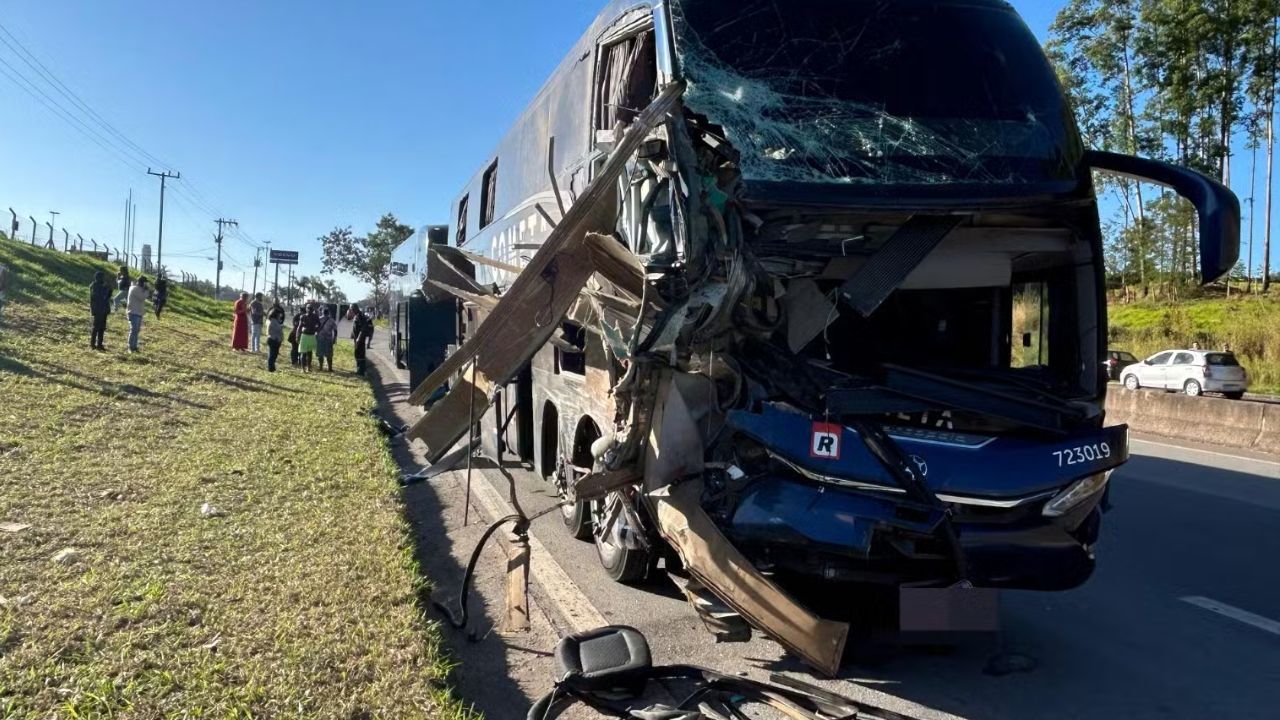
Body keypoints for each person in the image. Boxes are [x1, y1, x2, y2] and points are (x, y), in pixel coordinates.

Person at [89, 270, 111, 350]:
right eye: (102, 277)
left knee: (102, 327)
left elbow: (108, 296)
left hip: (103, 309)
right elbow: (100, 297)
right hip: (98, 309)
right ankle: (92, 344)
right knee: (96, 327)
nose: (103, 279)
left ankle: (99, 344)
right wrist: (105, 288)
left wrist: (108, 288)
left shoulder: (101, 285)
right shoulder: (94, 286)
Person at [349, 305, 374, 375]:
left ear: (356, 309)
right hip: (356, 338)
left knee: (360, 354)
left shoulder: (361, 316)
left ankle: (361, 372)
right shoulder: (356, 315)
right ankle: (359, 370)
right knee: (357, 354)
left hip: (360, 339)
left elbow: (363, 329)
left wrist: (358, 338)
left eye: (352, 309)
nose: (352, 310)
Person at [126, 276, 149, 352]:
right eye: (145, 283)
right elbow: (142, 297)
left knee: (136, 331)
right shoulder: (135, 288)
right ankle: (130, 347)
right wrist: (146, 290)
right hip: (133, 312)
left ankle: (134, 346)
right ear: (141, 282)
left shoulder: (137, 288)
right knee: (134, 330)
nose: (145, 284)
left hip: (137, 312)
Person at [297, 302, 320, 372]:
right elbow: (299, 327)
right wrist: (297, 336)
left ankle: (309, 368)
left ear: (312, 309)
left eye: (311, 308)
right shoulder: (303, 317)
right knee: (303, 353)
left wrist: (315, 330)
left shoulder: (315, 316)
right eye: (308, 308)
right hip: (304, 336)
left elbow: (319, 324)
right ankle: (303, 369)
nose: (309, 310)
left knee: (310, 353)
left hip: (312, 336)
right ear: (306, 309)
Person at [316, 307, 338, 372]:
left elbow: (316, 328)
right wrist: (334, 338)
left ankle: (320, 367)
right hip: (328, 339)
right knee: (329, 354)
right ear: (328, 313)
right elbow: (335, 330)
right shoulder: (332, 320)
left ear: (322, 312)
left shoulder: (319, 319)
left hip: (320, 338)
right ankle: (330, 368)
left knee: (320, 354)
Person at [266, 305, 285, 372]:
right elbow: (269, 331)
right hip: (273, 339)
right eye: (279, 314)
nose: (280, 315)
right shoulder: (272, 321)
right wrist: (276, 337)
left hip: (277, 340)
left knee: (275, 354)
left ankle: (273, 367)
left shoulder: (277, 321)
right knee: (272, 354)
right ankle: (270, 368)